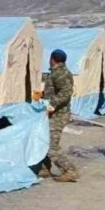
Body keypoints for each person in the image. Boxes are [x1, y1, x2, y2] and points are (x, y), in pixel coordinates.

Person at [40, 49, 79, 182]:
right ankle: (44, 168)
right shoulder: (60, 72)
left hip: (58, 115)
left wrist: (52, 103)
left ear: (52, 59)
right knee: (43, 139)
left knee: (51, 145)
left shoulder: (59, 73)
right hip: (54, 113)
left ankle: (69, 170)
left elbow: (66, 92)